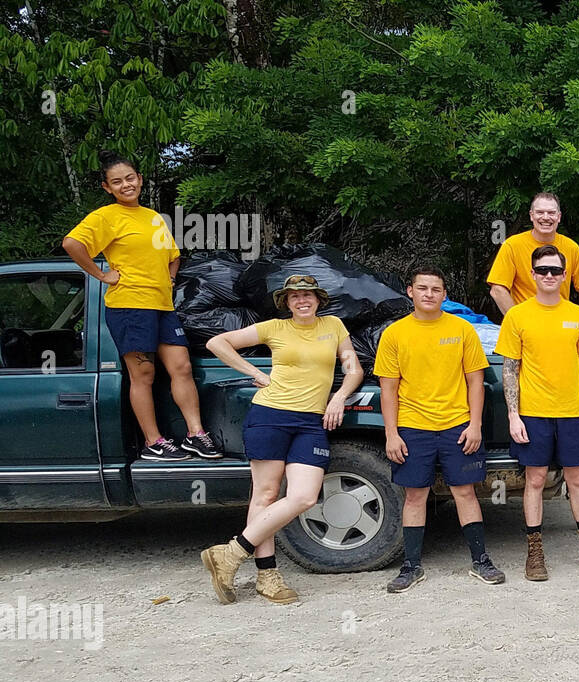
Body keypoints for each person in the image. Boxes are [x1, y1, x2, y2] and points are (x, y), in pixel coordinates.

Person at [200, 275, 363, 604]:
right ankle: (267, 577)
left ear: (318, 299)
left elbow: (354, 368)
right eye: (295, 297)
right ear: (286, 303)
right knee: (265, 495)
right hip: (270, 415)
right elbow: (217, 343)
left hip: (311, 421)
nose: (302, 301)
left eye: (308, 295)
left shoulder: (334, 327)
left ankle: (231, 553)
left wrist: (338, 397)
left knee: (303, 497)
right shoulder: (274, 327)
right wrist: (254, 373)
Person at [63, 150, 221, 461]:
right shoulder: (106, 217)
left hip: (161, 306)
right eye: (117, 182)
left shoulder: (151, 217)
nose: (126, 185)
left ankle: (195, 435)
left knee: (182, 368)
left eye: (130, 178)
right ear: (108, 188)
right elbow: (72, 243)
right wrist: (101, 275)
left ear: (140, 179)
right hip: (129, 307)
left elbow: (173, 256)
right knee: (144, 374)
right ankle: (154, 442)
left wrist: (170, 280)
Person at [376, 268, 505, 592]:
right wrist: (392, 434)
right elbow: (388, 390)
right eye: (423, 288)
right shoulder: (395, 334)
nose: (429, 294)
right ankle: (411, 566)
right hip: (412, 428)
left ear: (445, 294)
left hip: (457, 427)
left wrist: (474, 425)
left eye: (436, 289)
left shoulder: (462, 330)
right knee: (415, 495)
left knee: (465, 492)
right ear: (410, 292)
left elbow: (476, 381)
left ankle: (480, 560)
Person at [495, 244, 579, 580]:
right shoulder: (518, 315)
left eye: (555, 271)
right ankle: (535, 552)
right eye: (542, 270)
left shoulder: (576, 316)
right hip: (533, 413)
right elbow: (510, 369)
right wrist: (513, 415)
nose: (549, 276)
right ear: (532, 274)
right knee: (535, 479)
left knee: (576, 479)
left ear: (564, 276)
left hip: (573, 412)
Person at [487, 192, 579, 321]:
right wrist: (518, 322)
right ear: (531, 216)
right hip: (526, 324)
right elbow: (497, 290)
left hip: (560, 324)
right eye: (540, 212)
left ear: (559, 217)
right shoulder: (512, 245)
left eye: (551, 213)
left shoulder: (571, 247)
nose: (545, 217)